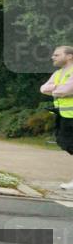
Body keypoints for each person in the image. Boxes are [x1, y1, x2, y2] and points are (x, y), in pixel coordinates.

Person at [40, 45, 73, 190]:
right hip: (64, 115)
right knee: (63, 142)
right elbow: (43, 88)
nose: (53, 57)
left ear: (69, 56)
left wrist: (56, 89)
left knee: (69, 143)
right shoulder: (58, 73)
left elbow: (65, 90)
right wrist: (59, 89)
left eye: (57, 55)